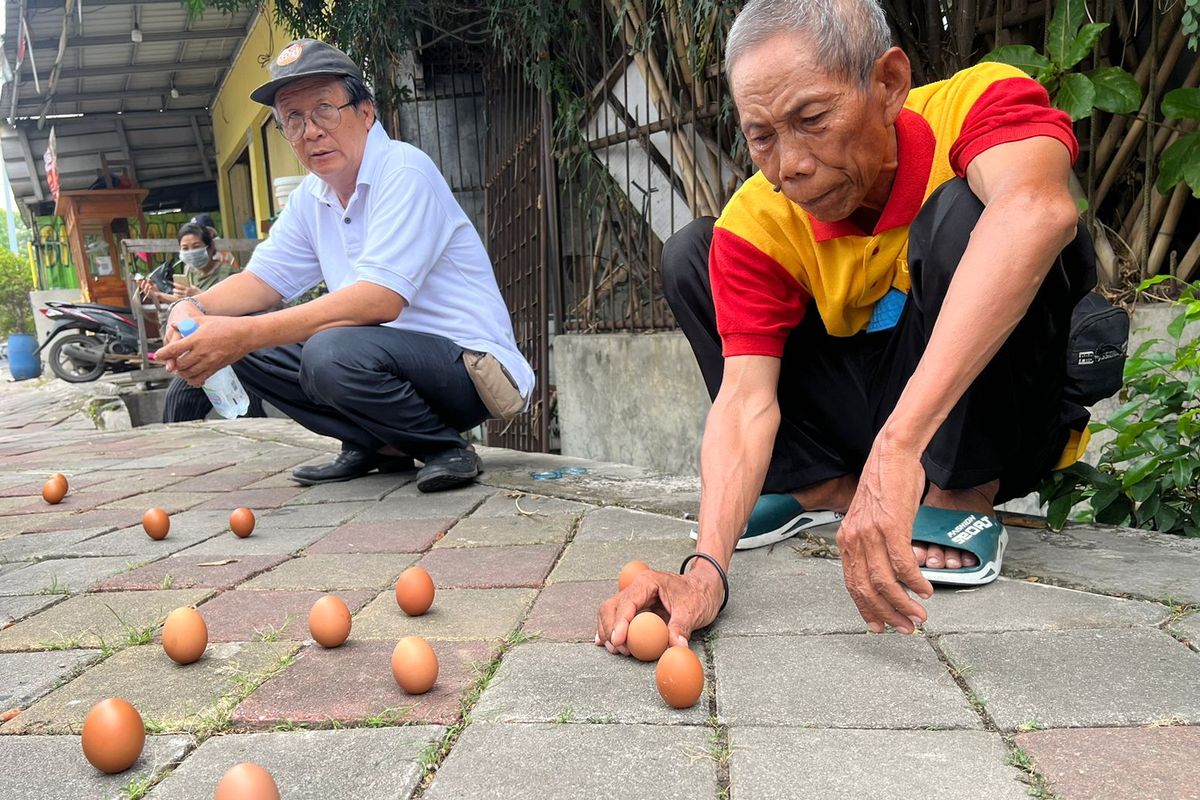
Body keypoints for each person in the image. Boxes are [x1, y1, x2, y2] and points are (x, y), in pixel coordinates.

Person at [597, 0, 1096, 653]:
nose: (790, 165)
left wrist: (900, 450)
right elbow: (745, 399)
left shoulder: (975, 105)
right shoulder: (765, 217)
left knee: (969, 214)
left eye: (811, 119)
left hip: (997, 414)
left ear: (887, 83)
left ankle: (959, 492)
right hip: (876, 409)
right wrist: (706, 570)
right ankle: (826, 487)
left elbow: (1039, 209)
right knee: (697, 251)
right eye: (762, 136)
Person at [152, 39, 533, 493]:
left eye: (325, 110)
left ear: (366, 112)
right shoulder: (312, 199)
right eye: (293, 119)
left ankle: (442, 447)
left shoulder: (404, 170)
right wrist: (193, 310)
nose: (310, 130)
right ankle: (376, 444)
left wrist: (242, 333)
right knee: (249, 341)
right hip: (383, 362)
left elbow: (379, 300)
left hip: (470, 369)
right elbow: (259, 281)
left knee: (325, 350)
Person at [139, 224, 264, 422]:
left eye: (196, 246)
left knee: (248, 409)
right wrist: (159, 296)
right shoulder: (188, 273)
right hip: (199, 352)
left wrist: (200, 298)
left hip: (233, 350)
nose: (190, 252)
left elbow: (238, 306)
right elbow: (187, 309)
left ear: (209, 247)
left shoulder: (229, 274)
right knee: (178, 401)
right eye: (185, 248)